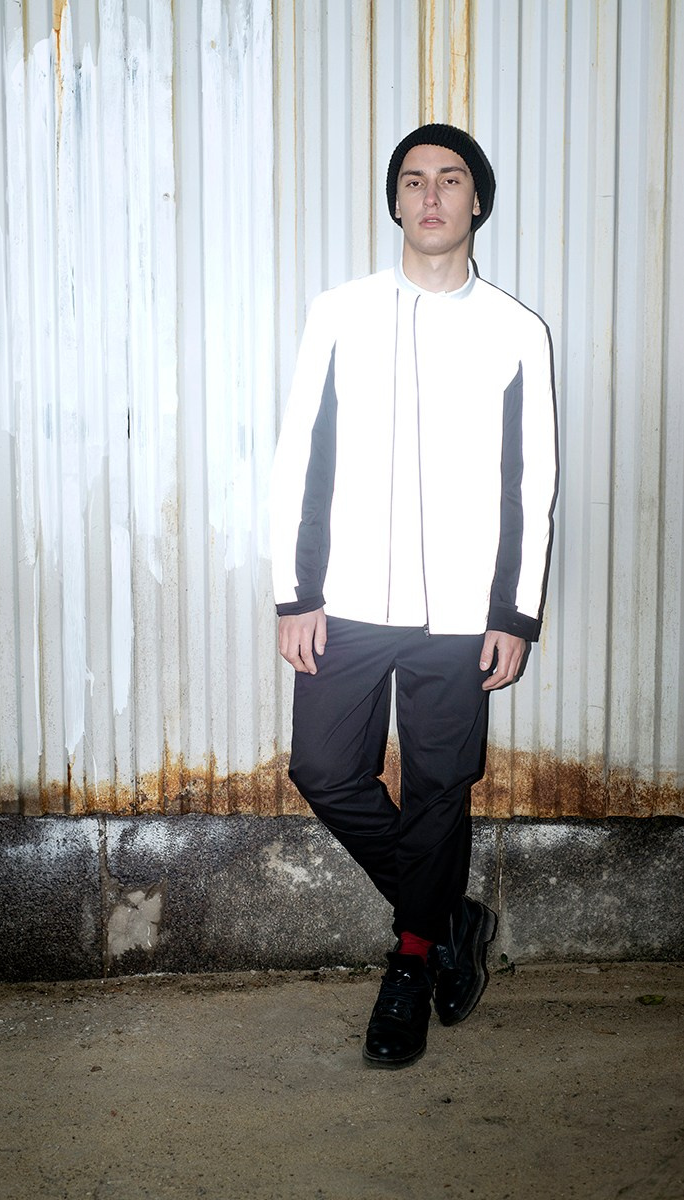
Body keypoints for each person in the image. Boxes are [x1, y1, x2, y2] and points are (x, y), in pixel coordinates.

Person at [269, 124, 558, 1069]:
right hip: (347, 599)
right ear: (394, 202)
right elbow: (301, 456)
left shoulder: (516, 331)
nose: (430, 196)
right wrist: (294, 593)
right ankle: (446, 917)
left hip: (461, 615)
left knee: (438, 788)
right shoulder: (340, 312)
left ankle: (408, 961)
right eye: (412, 180)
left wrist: (513, 613)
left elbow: (530, 485)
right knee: (324, 769)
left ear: (477, 200)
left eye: (450, 179)